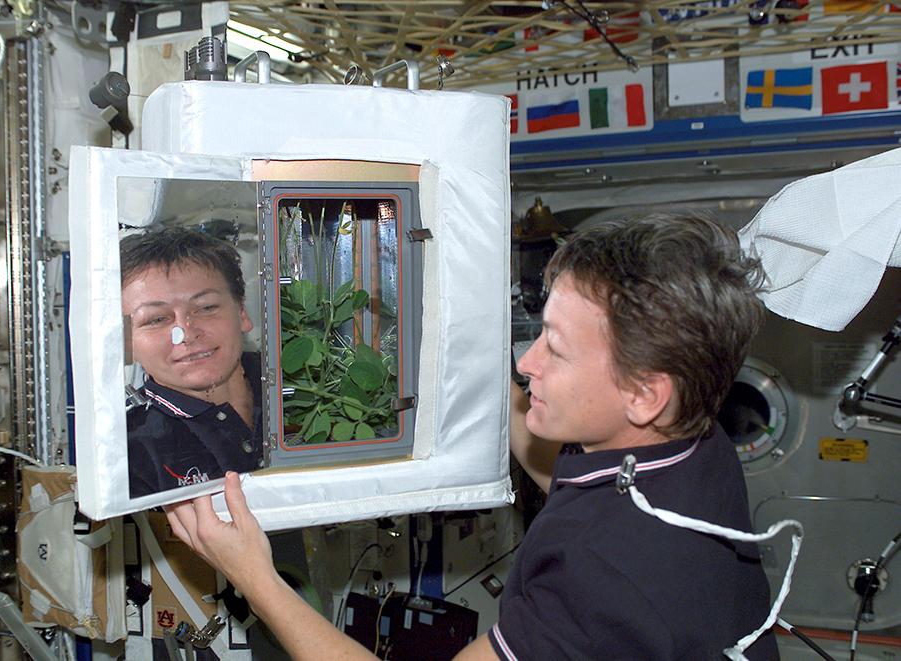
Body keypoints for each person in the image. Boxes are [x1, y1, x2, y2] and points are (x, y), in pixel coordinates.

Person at [165, 213, 779, 659]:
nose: (528, 362)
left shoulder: (600, 578)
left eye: (556, 350)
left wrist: (254, 577)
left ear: (647, 393)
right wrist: (457, 329)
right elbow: (573, 485)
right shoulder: (694, 445)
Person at [121, 226, 262, 499]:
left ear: (242, 312)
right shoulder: (130, 452)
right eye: (156, 319)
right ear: (128, 344)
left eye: (206, 308)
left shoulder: (301, 388)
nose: (186, 334)